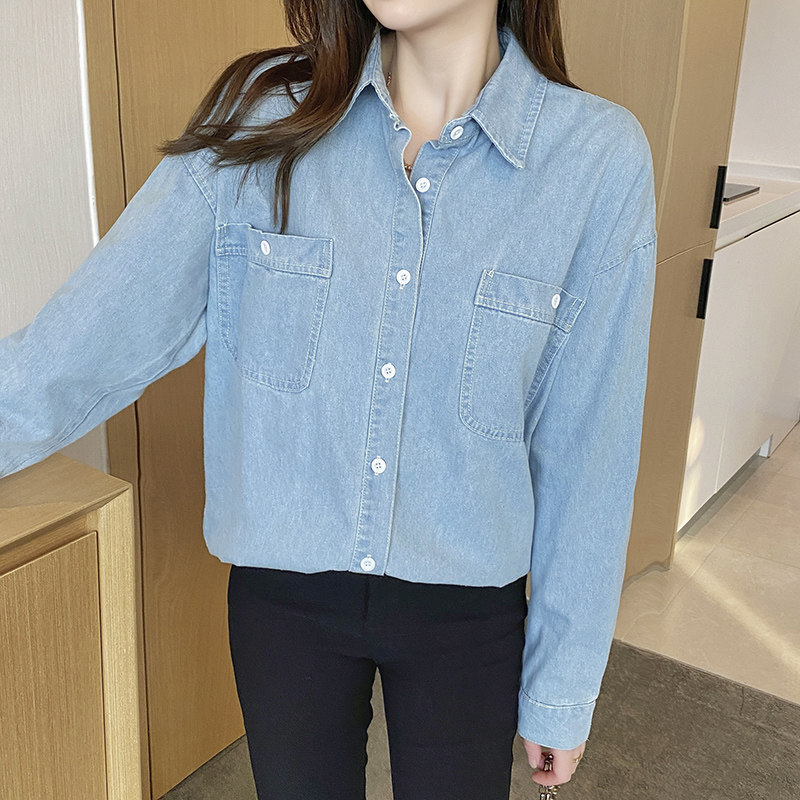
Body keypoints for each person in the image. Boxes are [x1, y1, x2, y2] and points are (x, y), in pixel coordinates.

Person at [0, 0, 658, 797]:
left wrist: (562, 686)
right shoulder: (260, 123)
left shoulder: (595, 160)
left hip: (469, 615)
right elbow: (86, 340)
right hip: (284, 606)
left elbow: (590, 448)